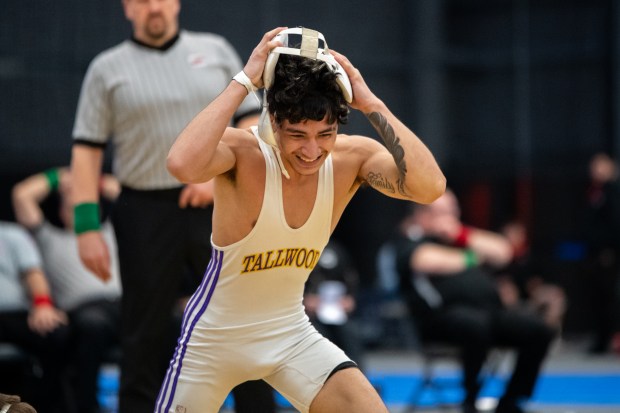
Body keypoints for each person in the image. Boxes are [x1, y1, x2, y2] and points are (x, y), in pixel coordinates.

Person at [156, 26, 445, 413]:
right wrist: (244, 81)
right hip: (213, 338)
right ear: (273, 120)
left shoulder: (350, 158)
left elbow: (430, 187)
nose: (312, 151)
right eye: (297, 134)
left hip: (289, 334)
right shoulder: (245, 153)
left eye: (325, 134)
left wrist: (371, 102)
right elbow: (181, 163)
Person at [68, 1, 266, 412]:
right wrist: (86, 228)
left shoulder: (215, 50)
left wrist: (221, 178)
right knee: (143, 332)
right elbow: (86, 151)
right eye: (141, 0)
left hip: (219, 200)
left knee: (240, 319)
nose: (153, 6)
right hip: (145, 210)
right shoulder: (107, 68)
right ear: (127, 8)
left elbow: (251, 124)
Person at [391, 188, 557, 413]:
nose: (449, 217)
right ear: (423, 215)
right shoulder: (411, 240)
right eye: (441, 212)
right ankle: (471, 399)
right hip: (442, 318)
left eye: (452, 210)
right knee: (474, 325)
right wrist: (472, 256)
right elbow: (427, 261)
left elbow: (503, 251)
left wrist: (461, 236)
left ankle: (512, 399)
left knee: (539, 330)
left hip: (489, 313)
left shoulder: (462, 238)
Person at [12, 167, 122, 413]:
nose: (83, 210)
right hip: (84, 311)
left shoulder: (110, 232)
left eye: (89, 204)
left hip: (124, 305)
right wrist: (59, 177)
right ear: (62, 211)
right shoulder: (48, 237)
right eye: (75, 205)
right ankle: (86, 407)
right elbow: (22, 195)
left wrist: (90, 178)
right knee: (91, 326)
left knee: (171, 322)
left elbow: (125, 195)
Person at [0, 221, 70, 413]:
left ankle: (48, 407)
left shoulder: (11, 234)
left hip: (14, 314)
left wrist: (43, 305)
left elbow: (33, 272)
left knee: (56, 332)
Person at [303, 239, 365, 371]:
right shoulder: (304, 249)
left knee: (350, 336)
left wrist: (350, 299)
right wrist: (304, 299)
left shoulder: (338, 251)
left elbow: (350, 277)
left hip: (338, 312)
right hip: (310, 315)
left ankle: (358, 376)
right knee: (317, 338)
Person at [495, 220, 566, 330]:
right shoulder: (500, 257)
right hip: (509, 297)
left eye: (518, 234)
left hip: (531, 293)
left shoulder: (531, 255)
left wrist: (536, 284)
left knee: (554, 295)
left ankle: (548, 333)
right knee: (506, 292)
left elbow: (540, 277)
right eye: (511, 234)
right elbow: (497, 279)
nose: (515, 237)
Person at [581, 152, 620, 354]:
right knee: (599, 299)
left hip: (608, 254)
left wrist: (609, 250)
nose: (595, 170)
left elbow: (614, 223)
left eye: (600, 166)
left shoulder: (613, 191)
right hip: (594, 254)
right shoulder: (594, 191)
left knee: (609, 299)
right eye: (593, 166)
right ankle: (601, 339)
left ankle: (608, 339)